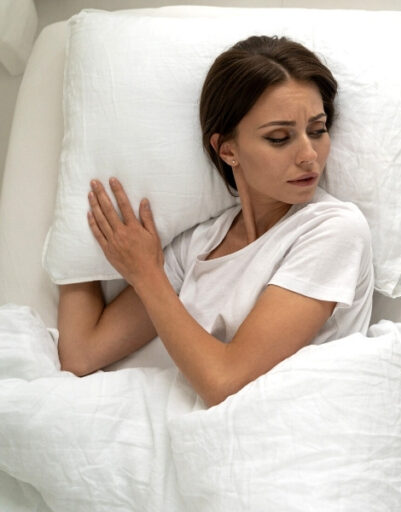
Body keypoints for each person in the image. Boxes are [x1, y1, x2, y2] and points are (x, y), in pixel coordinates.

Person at [56, 36, 374, 407]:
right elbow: (81, 354)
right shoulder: (199, 244)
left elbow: (224, 383)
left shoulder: (334, 229)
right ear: (227, 150)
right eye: (279, 137)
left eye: (317, 131)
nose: (309, 155)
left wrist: (146, 274)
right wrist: (75, 230)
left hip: (295, 439)